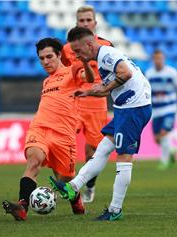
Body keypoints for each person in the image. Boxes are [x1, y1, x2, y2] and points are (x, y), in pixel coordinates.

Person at [49, 27, 152, 221]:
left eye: (78, 51)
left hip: (133, 108)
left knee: (123, 157)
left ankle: (115, 210)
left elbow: (126, 73)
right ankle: (73, 187)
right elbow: (108, 88)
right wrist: (89, 92)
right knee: (103, 149)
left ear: (89, 44)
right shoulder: (101, 57)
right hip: (126, 107)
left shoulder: (106, 54)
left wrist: (103, 87)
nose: (78, 56)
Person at [2, 38, 91, 221]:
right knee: (33, 161)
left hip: (64, 136)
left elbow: (88, 78)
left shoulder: (72, 72)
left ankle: (75, 197)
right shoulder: (46, 82)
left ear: (59, 55)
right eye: (41, 58)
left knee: (64, 180)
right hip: (40, 128)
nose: (45, 61)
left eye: (49, 57)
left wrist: (84, 63)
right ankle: (22, 207)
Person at [61, 5, 113, 203]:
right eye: (81, 21)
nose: (85, 23)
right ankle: (65, 182)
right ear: (77, 23)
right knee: (64, 143)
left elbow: (113, 72)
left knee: (92, 150)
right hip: (73, 101)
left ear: (95, 23)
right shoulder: (67, 49)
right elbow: (64, 74)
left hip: (96, 103)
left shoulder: (106, 45)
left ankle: (89, 185)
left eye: (88, 20)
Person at [145, 49, 177, 170]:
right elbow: (146, 92)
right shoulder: (149, 74)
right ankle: (171, 150)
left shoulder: (172, 73)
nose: (158, 61)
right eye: (156, 58)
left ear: (164, 59)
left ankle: (164, 161)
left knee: (163, 133)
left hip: (170, 108)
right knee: (157, 139)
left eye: (160, 58)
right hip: (156, 110)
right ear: (153, 60)